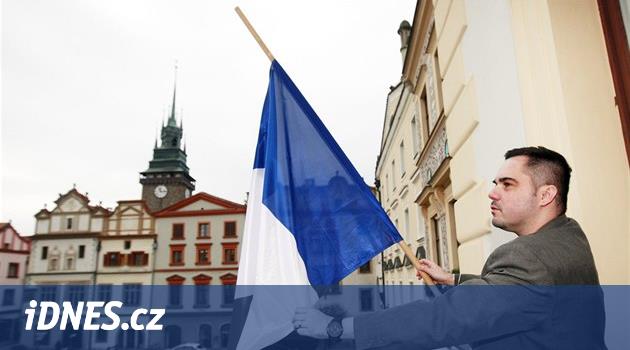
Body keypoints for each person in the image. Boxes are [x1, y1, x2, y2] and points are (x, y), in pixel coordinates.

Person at [292, 146, 606, 349]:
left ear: (545, 195)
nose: (492, 193)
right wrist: (453, 280)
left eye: (507, 184)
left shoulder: (529, 256)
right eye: (495, 183)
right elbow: (524, 292)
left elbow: (444, 317)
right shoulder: (568, 234)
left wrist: (336, 327)